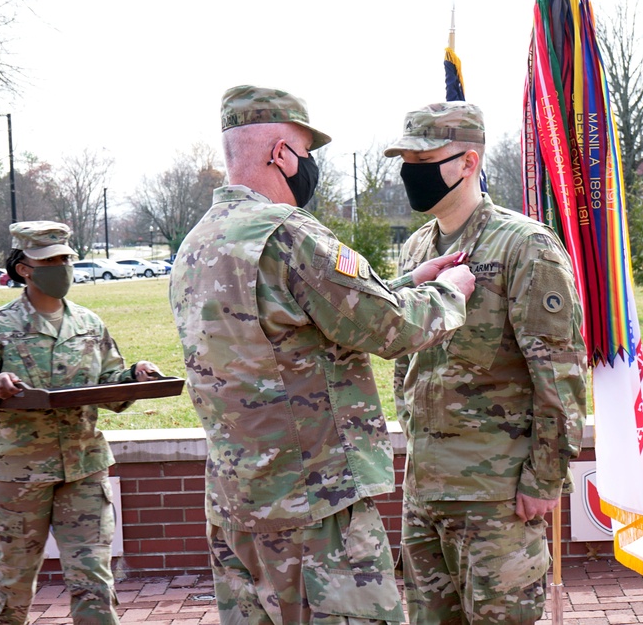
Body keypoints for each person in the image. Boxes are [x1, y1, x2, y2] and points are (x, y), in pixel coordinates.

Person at [168, 85, 475, 625]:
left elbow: (300, 317)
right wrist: (451, 290)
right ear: (281, 153)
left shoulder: (200, 241)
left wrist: (406, 280)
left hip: (238, 505)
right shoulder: (287, 233)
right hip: (314, 508)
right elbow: (389, 328)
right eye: (306, 152)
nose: (309, 166)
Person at [384, 102, 589, 624]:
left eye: (425, 158)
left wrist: (544, 479)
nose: (412, 171)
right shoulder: (416, 252)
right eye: (406, 158)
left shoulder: (525, 246)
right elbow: (404, 362)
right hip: (425, 490)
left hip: (496, 499)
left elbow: (560, 375)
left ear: (469, 162)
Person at [0, 220, 163, 625]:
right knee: (15, 579)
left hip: (83, 469)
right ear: (24, 268)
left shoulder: (89, 324)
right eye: (50, 260)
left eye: (66, 258)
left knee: (94, 581)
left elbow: (112, 392)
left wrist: (135, 375)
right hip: (18, 476)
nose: (61, 267)